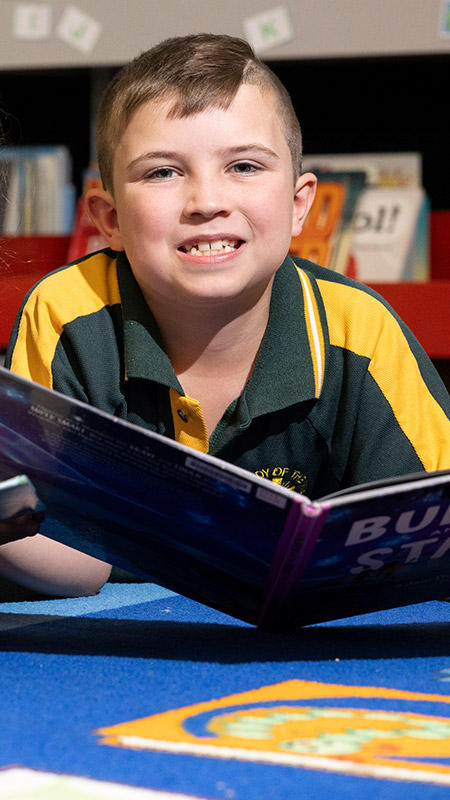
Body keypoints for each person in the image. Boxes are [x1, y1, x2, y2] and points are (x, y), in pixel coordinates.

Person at [2, 33, 450, 596]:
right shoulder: (65, 313)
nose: (206, 201)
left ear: (297, 205)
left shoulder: (360, 329)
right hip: (120, 653)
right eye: (163, 172)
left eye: (243, 165)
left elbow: (433, 532)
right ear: (108, 217)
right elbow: (58, 546)